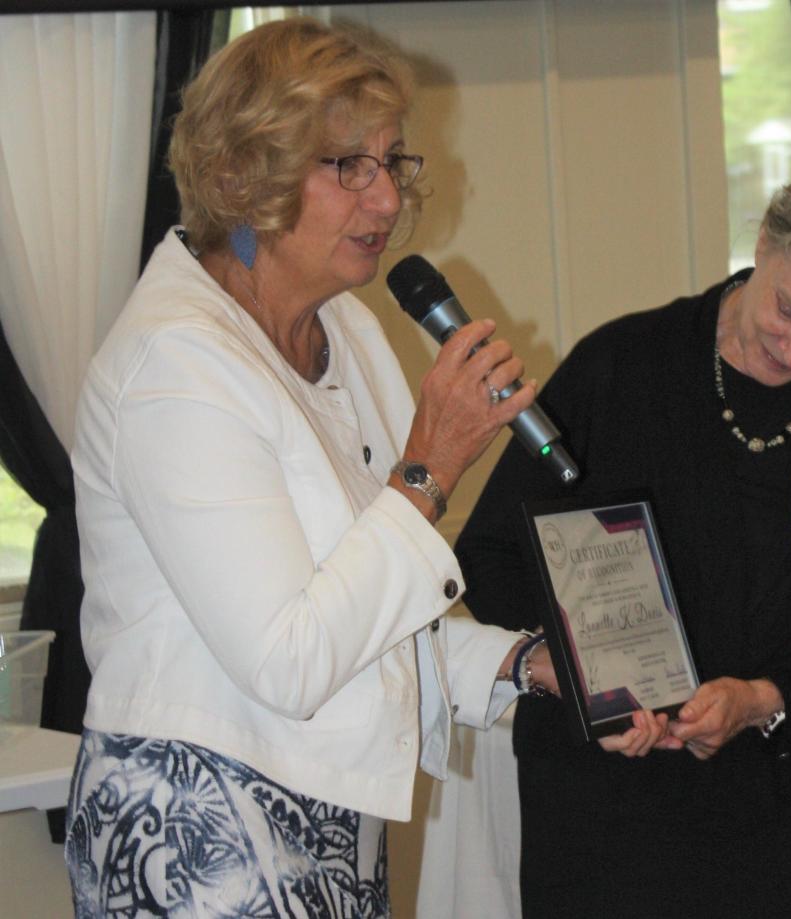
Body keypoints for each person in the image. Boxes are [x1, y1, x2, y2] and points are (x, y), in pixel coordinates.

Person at [62, 18, 601, 918]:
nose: (386, 201)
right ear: (242, 176)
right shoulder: (177, 364)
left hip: (332, 822)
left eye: (392, 163)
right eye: (347, 166)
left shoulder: (343, 328)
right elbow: (291, 658)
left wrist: (528, 663)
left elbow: (381, 614)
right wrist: (427, 469)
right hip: (194, 838)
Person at [456, 165, 791, 918]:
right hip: (609, 817)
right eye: (789, 311)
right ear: (763, 243)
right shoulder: (620, 369)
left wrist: (763, 701)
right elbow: (491, 556)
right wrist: (593, 675)